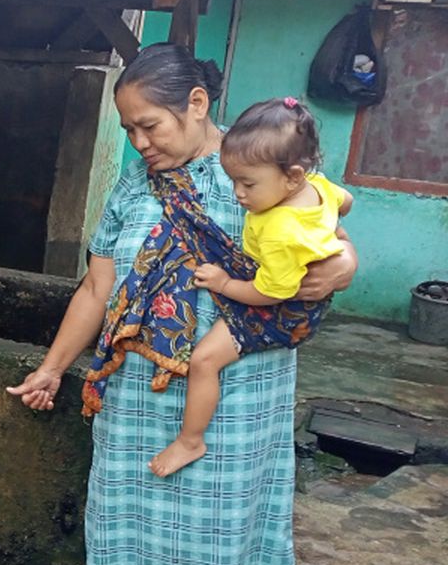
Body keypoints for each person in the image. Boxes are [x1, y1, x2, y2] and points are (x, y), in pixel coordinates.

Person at [6, 44, 357, 565]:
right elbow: (98, 287)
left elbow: (327, 238)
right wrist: (52, 367)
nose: (140, 142)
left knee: (218, 540)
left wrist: (346, 262)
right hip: (137, 385)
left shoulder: (253, 164)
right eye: (129, 129)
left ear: (196, 105)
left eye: (150, 126)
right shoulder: (133, 188)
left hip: (235, 392)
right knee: (133, 515)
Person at [149, 96, 354, 478]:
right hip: (289, 284)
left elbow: (271, 293)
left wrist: (224, 282)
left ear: (292, 176)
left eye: (248, 184)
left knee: (204, 361)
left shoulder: (280, 230)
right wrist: (332, 228)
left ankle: (190, 441)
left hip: (286, 308)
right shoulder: (317, 185)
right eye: (234, 181)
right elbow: (347, 201)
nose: (239, 194)